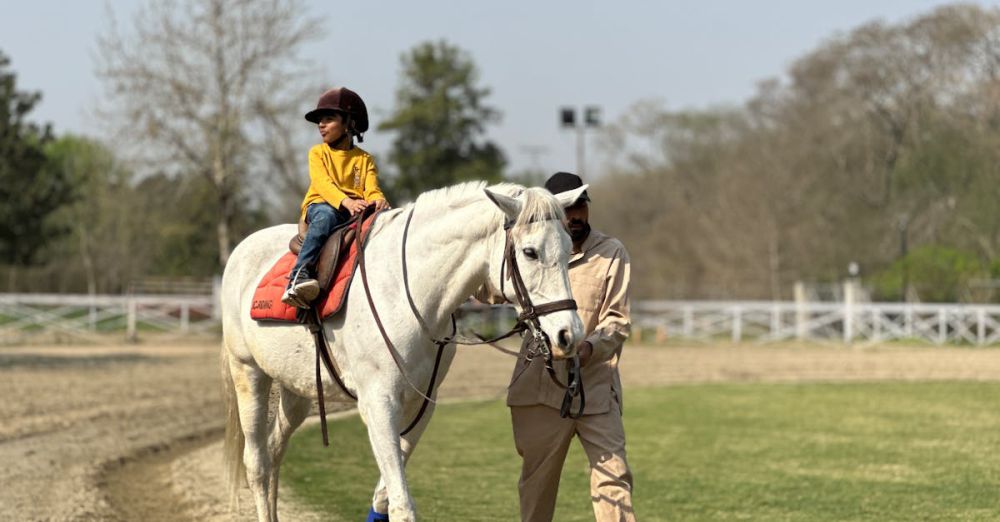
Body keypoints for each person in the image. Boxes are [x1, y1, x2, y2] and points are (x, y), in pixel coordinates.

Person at [508, 172, 635, 521]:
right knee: (537, 486)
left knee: (615, 480)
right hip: (539, 389)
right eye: (566, 209)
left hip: (595, 387)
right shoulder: (527, 249)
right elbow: (491, 288)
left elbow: (618, 320)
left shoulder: (612, 253)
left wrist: (590, 347)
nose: (574, 216)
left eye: (580, 206)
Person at [282, 87, 390, 308]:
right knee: (326, 216)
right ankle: (298, 274)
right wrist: (347, 201)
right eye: (320, 121)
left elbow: (371, 186)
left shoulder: (364, 159)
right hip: (322, 206)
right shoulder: (317, 153)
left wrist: (378, 198)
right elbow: (323, 184)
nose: (321, 125)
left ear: (349, 123)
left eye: (329, 119)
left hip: (354, 210)